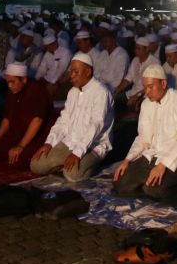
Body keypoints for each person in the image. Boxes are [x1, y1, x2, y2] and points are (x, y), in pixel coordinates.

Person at [113, 65, 177, 203]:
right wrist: (127, 160)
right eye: (145, 87)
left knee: (154, 189)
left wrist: (162, 166)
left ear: (163, 84)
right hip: (153, 155)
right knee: (120, 182)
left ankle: (174, 186)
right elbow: (143, 138)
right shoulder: (146, 104)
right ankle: (147, 185)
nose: (147, 92)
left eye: (151, 87)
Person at [30, 52, 114, 182]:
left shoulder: (101, 92)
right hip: (71, 141)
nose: (71, 76)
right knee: (36, 165)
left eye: (76, 72)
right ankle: (67, 163)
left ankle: (90, 164)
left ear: (87, 72)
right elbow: (63, 120)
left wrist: (77, 153)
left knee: (72, 175)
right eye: (71, 72)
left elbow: (96, 125)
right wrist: (49, 142)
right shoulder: (72, 92)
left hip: (93, 145)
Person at [0, 62, 54, 168]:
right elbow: (7, 118)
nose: (9, 85)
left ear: (24, 80)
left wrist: (21, 146)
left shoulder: (37, 91)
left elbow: (37, 121)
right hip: (18, 133)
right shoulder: (13, 90)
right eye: (7, 82)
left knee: (19, 160)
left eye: (12, 82)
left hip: (38, 135)